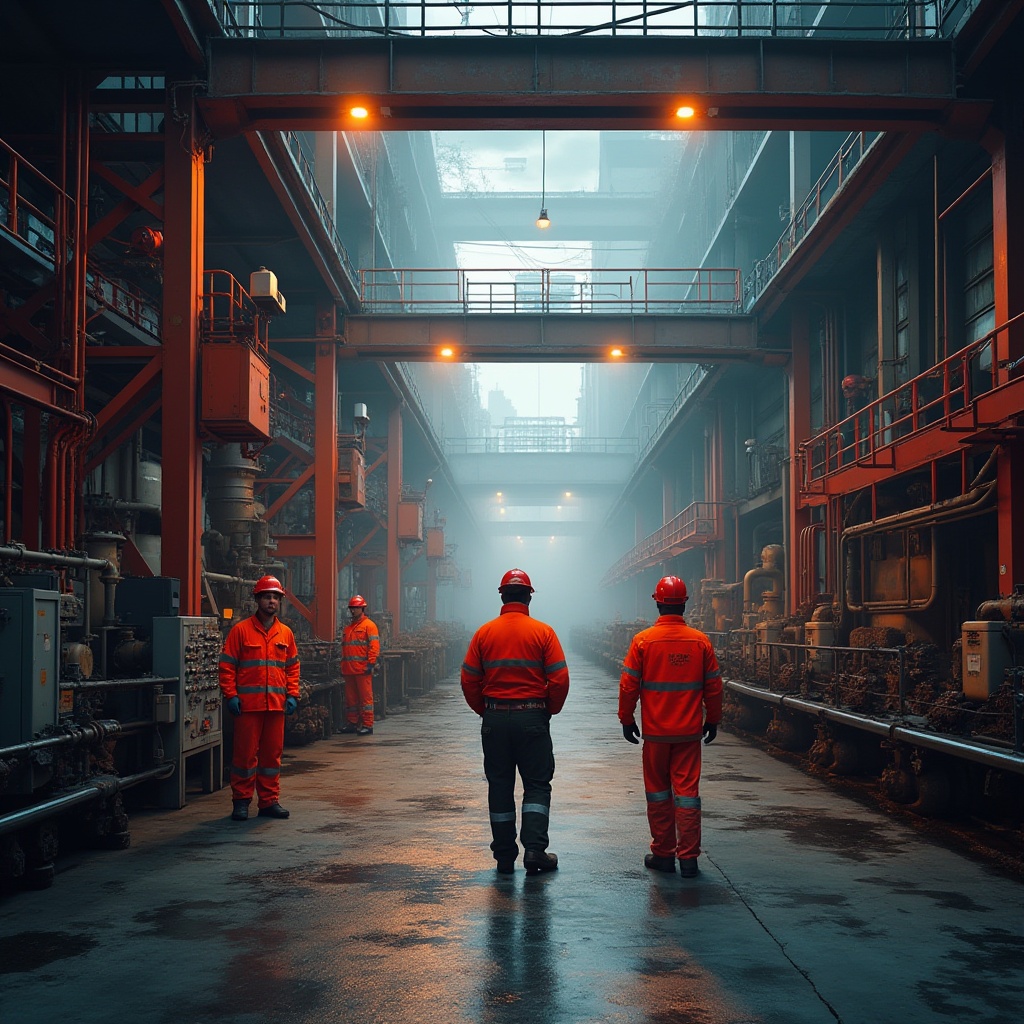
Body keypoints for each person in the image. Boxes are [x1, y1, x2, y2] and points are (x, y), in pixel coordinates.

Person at [461, 568, 570, 876]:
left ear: (502, 595)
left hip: (495, 718)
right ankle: (535, 850)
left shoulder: (484, 633)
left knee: (499, 785)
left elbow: (469, 679)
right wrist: (549, 709)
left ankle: (505, 857)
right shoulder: (543, 633)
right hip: (532, 716)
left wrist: (485, 709)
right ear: (528, 596)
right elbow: (560, 678)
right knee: (536, 784)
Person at [618, 575, 722, 878]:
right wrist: (712, 720)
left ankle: (663, 855)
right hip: (689, 734)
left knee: (658, 793)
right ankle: (688, 859)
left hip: (655, 734)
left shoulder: (642, 641)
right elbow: (714, 688)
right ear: (685, 603)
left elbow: (628, 686)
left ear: (658, 602)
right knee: (688, 795)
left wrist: (627, 719)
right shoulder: (700, 641)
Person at [219, 575, 301, 821]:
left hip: (276, 707)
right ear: (257, 599)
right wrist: (230, 695)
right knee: (244, 756)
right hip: (248, 707)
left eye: (276, 597)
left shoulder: (286, 634)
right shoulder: (240, 631)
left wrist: (293, 694)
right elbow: (227, 667)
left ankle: (268, 801)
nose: (272, 601)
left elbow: (293, 667)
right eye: (267, 596)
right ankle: (241, 801)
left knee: (271, 757)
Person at [340, 594, 380, 736]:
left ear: (362, 609)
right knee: (351, 699)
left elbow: (374, 646)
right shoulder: (348, 629)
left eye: (356, 608)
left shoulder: (369, 626)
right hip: (349, 670)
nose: (353, 611)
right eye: (351, 608)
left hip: (362, 669)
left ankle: (368, 725)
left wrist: (371, 664)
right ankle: (352, 723)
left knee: (366, 699)